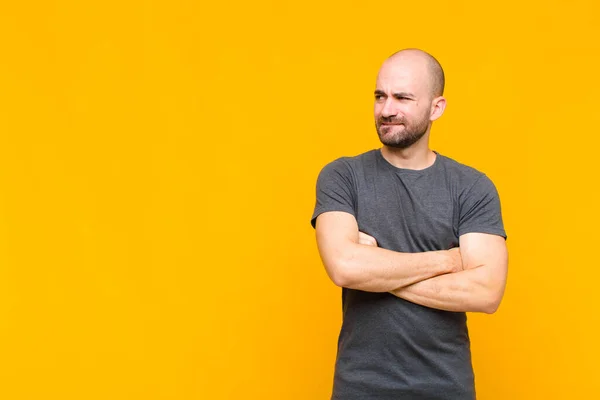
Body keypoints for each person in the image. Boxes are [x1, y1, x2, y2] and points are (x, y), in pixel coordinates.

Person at [310, 49, 508, 400]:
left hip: (446, 389)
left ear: (436, 107)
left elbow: (486, 292)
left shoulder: (471, 187)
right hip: (360, 389)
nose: (387, 109)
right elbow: (344, 268)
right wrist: (447, 261)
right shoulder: (343, 177)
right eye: (379, 96)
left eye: (402, 97)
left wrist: (375, 271)